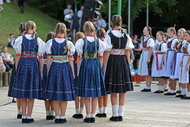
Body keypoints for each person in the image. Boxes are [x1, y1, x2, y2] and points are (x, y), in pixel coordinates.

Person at [9, 21, 45, 123]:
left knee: (23, 92)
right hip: (33, 64)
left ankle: (24, 115)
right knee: (31, 91)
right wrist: (41, 70)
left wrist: (17, 68)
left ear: (25, 28)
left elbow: (18, 56)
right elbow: (41, 57)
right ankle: (29, 116)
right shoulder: (38, 40)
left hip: (23, 63)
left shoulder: (20, 39)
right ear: (34, 28)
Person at [76, 21, 107, 123]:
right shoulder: (99, 42)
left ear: (85, 29)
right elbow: (101, 57)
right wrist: (100, 69)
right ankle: (92, 115)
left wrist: (78, 70)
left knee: (86, 92)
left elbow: (79, 58)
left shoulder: (81, 41)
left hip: (85, 64)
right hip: (95, 65)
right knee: (94, 92)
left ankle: (88, 114)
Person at [104, 15, 133, 122]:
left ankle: (115, 114)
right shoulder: (126, 35)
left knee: (113, 90)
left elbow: (107, 51)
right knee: (122, 90)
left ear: (112, 22)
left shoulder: (109, 34)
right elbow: (128, 51)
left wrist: (104, 66)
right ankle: (120, 114)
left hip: (113, 60)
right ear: (121, 22)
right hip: (123, 61)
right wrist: (129, 64)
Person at [45, 23, 75, 124]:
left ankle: (57, 116)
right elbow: (70, 59)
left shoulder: (50, 42)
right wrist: (73, 72)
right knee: (64, 93)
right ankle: (62, 115)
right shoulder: (68, 43)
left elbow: (49, 59)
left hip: (54, 67)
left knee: (55, 93)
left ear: (55, 30)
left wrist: (48, 71)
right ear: (65, 31)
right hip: (65, 68)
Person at [8, 22, 26, 119]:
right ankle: (25, 110)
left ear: (20, 29)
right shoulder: (32, 38)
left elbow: (17, 52)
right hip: (29, 62)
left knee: (19, 86)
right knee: (26, 87)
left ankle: (19, 110)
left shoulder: (18, 39)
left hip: (19, 63)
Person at [96, 28, 108, 118]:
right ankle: (105, 109)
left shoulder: (97, 43)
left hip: (99, 66)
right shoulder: (107, 42)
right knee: (106, 91)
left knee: (100, 90)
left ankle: (100, 110)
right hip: (107, 67)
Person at [72, 32, 85, 119]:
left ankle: (77, 112)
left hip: (76, 69)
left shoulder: (73, 49)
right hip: (83, 69)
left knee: (76, 92)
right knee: (83, 92)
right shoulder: (85, 48)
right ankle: (81, 110)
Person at [43, 32, 55, 120]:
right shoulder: (54, 47)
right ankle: (53, 112)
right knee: (53, 91)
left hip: (45, 70)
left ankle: (48, 113)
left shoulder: (44, 48)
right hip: (54, 69)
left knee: (46, 92)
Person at [139, 26, 155, 92]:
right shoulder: (143, 39)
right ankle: (146, 85)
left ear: (148, 31)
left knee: (148, 71)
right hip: (144, 54)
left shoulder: (150, 39)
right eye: (143, 30)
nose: (143, 31)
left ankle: (148, 86)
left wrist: (148, 58)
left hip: (148, 54)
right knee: (146, 71)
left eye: (145, 30)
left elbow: (151, 49)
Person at [164, 27, 178, 96]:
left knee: (172, 74)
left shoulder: (175, 40)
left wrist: (172, 60)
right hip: (168, 55)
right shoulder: (169, 39)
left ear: (172, 32)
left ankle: (173, 89)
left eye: (168, 31)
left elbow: (174, 50)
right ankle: (170, 88)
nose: (167, 33)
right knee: (169, 73)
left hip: (172, 55)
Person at [172, 28, 186, 97]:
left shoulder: (185, 42)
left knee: (182, 73)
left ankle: (183, 90)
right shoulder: (178, 41)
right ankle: (180, 90)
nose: (179, 34)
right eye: (178, 32)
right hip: (177, 57)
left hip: (182, 57)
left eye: (181, 33)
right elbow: (175, 48)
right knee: (178, 74)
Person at [179, 31, 190, 99]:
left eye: (187, 36)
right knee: (184, 77)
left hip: (188, 61)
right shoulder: (185, 43)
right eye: (185, 36)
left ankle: (188, 93)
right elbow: (184, 53)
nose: (185, 37)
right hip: (185, 59)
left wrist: (187, 64)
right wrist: (182, 61)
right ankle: (184, 92)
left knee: (188, 78)